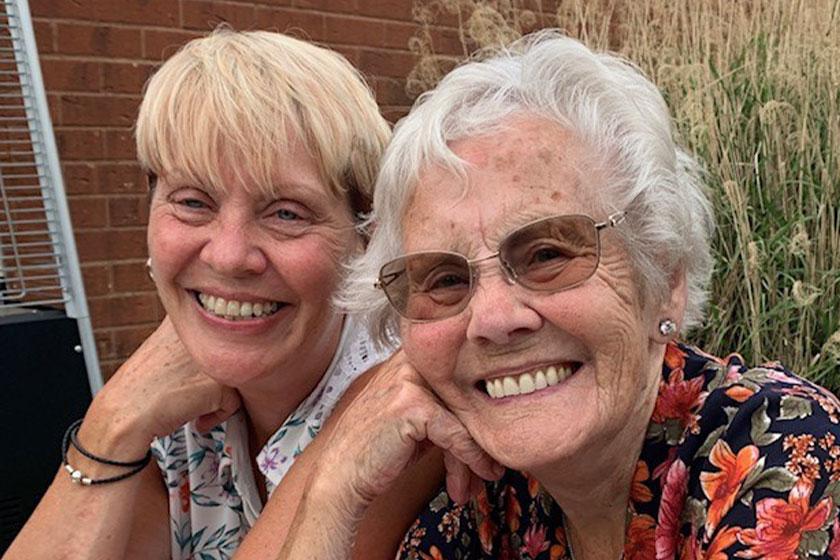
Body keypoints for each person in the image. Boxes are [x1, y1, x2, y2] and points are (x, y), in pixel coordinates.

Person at [278, 31, 840, 559]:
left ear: (665, 278)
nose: (494, 318)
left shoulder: (782, 451)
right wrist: (334, 492)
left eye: (548, 255)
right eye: (446, 280)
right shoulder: (491, 499)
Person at [6, 28, 400, 559]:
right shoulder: (170, 409)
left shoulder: (400, 399)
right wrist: (113, 424)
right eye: (192, 202)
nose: (228, 256)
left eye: (287, 212)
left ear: (365, 240)